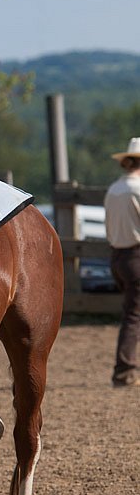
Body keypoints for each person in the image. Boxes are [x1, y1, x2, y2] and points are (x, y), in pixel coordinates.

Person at [104, 137, 140, 388]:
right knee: (134, 316)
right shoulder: (138, 189)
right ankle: (124, 370)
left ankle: (126, 368)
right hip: (137, 256)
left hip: (118, 256)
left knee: (132, 313)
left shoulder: (114, 189)